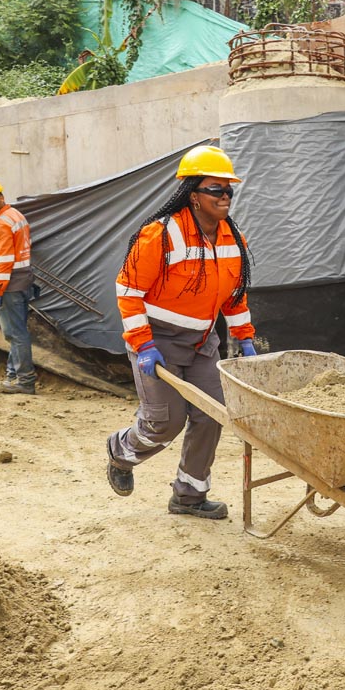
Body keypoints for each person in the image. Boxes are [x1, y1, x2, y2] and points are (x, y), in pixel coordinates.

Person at [106, 145, 257, 520]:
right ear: (193, 195)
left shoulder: (232, 239)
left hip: (203, 342)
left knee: (212, 414)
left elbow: (234, 298)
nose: (225, 197)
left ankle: (188, 497)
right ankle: (121, 452)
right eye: (215, 190)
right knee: (164, 423)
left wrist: (246, 338)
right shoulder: (159, 235)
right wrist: (143, 345)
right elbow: (128, 291)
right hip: (158, 342)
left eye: (228, 191)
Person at [0, 179, 36, 395]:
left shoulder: (2, 223)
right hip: (22, 280)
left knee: (15, 334)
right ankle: (13, 375)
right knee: (15, 332)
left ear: (1, 197)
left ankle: (25, 380)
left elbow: (5, 261)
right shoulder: (16, 215)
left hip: (10, 284)